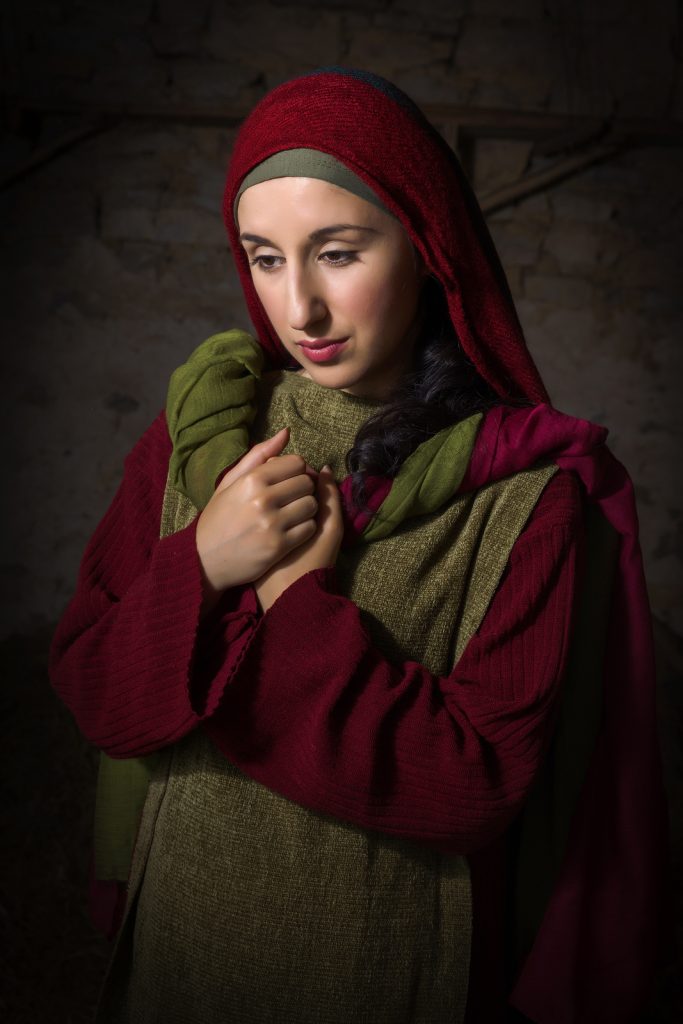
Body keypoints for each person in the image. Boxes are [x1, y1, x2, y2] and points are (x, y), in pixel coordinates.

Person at [49, 67, 671, 1023]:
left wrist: (300, 610)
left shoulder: (525, 495)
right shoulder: (201, 437)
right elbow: (95, 688)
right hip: (183, 947)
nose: (298, 310)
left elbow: (473, 789)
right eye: (263, 258)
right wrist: (203, 565)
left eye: (336, 253)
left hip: (379, 965)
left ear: (425, 248)